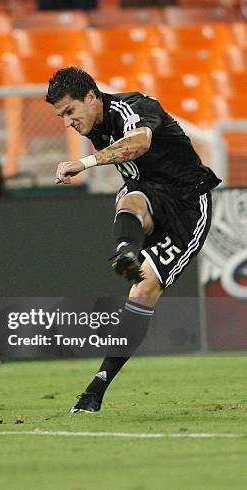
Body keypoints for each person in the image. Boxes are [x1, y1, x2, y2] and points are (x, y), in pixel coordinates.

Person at [46, 67, 221, 413]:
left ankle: (97, 386)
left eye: (70, 111)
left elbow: (141, 142)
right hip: (150, 194)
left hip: (188, 205)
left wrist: (86, 163)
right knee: (130, 198)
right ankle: (127, 252)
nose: (67, 121)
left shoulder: (132, 108)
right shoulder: (96, 126)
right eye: (61, 115)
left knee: (141, 292)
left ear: (92, 97)